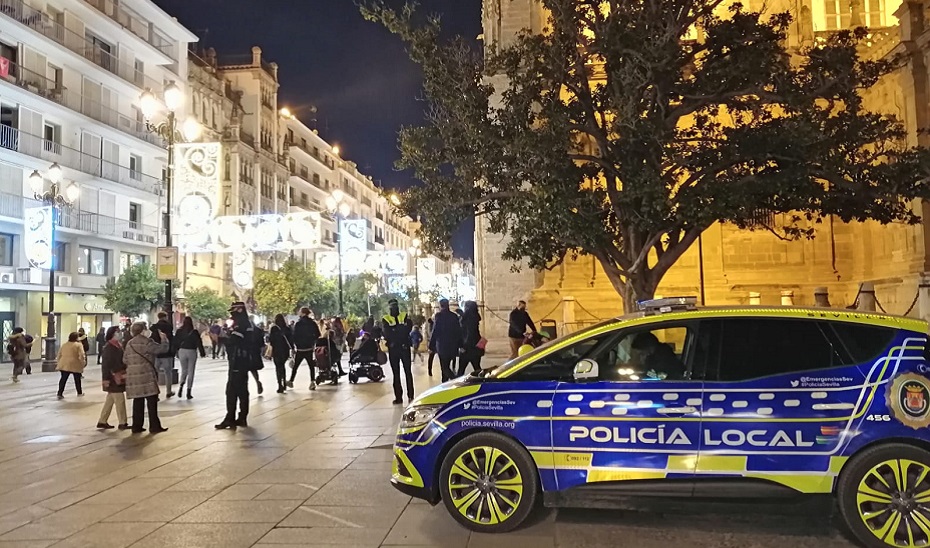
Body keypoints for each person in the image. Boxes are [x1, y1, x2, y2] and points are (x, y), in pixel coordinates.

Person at [216, 301, 262, 429]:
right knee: (242, 390)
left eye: (233, 311)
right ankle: (241, 417)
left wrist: (225, 337)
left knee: (231, 390)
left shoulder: (241, 325)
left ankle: (230, 417)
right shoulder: (248, 324)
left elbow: (233, 342)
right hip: (244, 361)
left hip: (238, 361)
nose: (232, 314)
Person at [124, 322, 169, 433]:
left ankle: (137, 426)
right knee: (152, 401)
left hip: (133, 377)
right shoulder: (146, 342)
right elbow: (161, 349)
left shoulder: (129, 343)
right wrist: (164, 340)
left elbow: (124, 360)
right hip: (146, 375)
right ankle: (154, 426)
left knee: (138, 401)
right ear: (143, 330)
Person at [382, 298, 414, 404]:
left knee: (407, 372)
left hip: (401, 347)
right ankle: (400, 397)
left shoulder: (404, 316)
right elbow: (387, 333)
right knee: (397, 374)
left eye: (395, 306)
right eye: (392, 306)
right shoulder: (386, 319)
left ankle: (410, 395)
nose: (394, 308)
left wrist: (395, 330)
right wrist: (399, 329)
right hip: (396, 348)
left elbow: (407, 328)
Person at [97, 326, 128, 430]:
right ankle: (123, 422)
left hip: (118, 375)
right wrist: (106, 379)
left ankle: (102, 420)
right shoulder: (109, 347)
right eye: (118, 332)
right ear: (112, 334)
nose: (120, 334)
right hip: (113, 377)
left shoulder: (118, 345)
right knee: (120, 400)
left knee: (110, 401)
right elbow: (106, 365)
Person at [289, 307, 321, 390]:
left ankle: (291, 380)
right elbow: (318, 334)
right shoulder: (312, 323)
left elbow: (294, 336)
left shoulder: (298, 324)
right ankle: (312, 381)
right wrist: (312, 341)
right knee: (311, 365)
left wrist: (296, 344)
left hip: (300, 348)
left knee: (296, 366)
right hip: (309, 347)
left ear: (302, 313)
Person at [431, 299, 463, 382]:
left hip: (442, 346)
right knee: (446, 366)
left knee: (444, 367)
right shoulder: (454, 316)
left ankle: (454, 380)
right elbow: (459, 331)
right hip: (453, 346)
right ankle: (445, 383)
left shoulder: (438, 316)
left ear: (440, 306)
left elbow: (435, 331)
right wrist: (460, 345)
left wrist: (431, 345)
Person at [175, 316, 206, 400]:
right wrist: (202, 352)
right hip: (191, 351)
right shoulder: (194, 332)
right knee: (191, 371)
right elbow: (199, 342)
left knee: (184, 370)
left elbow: (176, 342)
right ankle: (189, 391)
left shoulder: (179, 331)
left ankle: (181, 386)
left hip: (182, 351)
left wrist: (176, 351)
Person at [150, 312, 176, 398]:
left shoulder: (154, 328)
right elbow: (171, 339)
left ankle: (155, 393)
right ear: (165, 317)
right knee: (168, 373)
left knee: (155, 373)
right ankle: (168, 391)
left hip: (157, 353)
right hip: (167, 353)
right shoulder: (168, 326)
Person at [458, 301, 484, 376]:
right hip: (476, 346)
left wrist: (463, 346)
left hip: (468, 348)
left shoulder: (467, 318)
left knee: (461, 370)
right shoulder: (475, 316)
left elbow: (469, 334)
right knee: (477, 368)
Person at [56, 332, 85, 399]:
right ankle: (79, 392)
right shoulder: (78, 345)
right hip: (75, 363)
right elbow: (81, 355)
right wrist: (82, 363)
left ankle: (60, 393)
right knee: (77, 378)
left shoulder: (64, 345)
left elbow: (59, 354)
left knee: (63, 379)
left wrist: (59, 362)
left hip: (64, 363)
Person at [269, 314, 293, 393]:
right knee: (282, 366)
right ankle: (284, 383)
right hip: (285, 350)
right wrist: (292, 349)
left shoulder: (273, 328)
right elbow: (291, 339)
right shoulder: (287, 328)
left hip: (277, 350)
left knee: (278, 367)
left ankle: (280, 385)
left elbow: (271, 340)